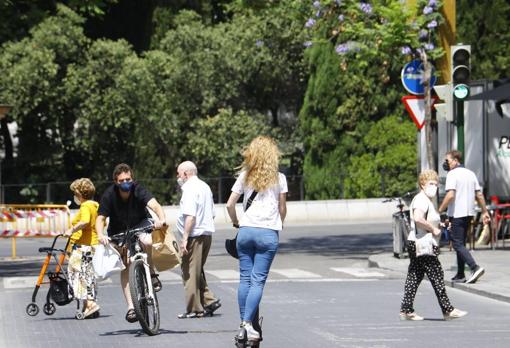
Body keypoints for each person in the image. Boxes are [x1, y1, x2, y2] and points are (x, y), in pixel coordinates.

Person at [226, 136, 287, 344]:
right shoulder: (280, 178)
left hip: (246, 231)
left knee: (245, 279)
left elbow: (229, 204)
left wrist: (236, 223)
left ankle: (244, 326)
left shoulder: (245, 176)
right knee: (258, 280)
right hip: (268, 232)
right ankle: (247, 325)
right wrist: (280, 223)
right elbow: (282, 208)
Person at [95, 163, 166, 323]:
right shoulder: (109, 195)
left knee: (147, 241)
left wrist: (161, 219)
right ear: (116, 181)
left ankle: (152, 273)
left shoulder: (138, 189)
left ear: (132, 179)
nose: (125, 182)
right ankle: (131, 307)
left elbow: (155, 205)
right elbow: (100, 218)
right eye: (121, 180)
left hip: (140, 222)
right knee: (125, 263)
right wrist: (100, 234)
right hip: (119, 229)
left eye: (128, 179)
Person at [400, 170, 467, 321]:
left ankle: (406, 310)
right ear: (422, 184)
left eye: (436, 184)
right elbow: (418, 218)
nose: (434, 187)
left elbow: (428, 219)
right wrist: (434, 228)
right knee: (436, 275)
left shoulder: (425, 199)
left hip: (417, 242)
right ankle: (448, 310)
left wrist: (441, 225)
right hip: (423, 243)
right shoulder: (421, 200)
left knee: (414, 276)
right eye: (431, 184)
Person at [175, 161, 221, 319]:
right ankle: (209, 300)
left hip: (194, 235)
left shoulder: (189, 188)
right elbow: (212, 212)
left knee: (189, 272)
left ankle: (194, 309)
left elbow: (190, 216)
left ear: (186, 174)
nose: (178, 177)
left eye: (179, 174)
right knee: (197, 270)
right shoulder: (204, 186)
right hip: (206, 234)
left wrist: (185, 239)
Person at [438, 150, 490, 284]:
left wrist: (440, 209)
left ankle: (474, 267)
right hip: (469, 213)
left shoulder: (452, 174)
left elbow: (450, 195)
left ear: (455, 160)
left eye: (447, 161)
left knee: (456, 243)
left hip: (457, 214)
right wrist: (484, 212)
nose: (445, 164)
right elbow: (479, 195)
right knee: (460, 242)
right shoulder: (470, 173)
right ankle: (460, 274)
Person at [65, 178, 101, 319]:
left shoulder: (85, 206)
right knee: (88, 275)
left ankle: (91, 304)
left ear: (80, 193)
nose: (74, 195)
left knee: (76, 274)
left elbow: (85, 221)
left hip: (84, 246)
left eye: (75, 192)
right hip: (93, 245)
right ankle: (89, 305)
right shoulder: (96, 205)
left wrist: (71, 229)